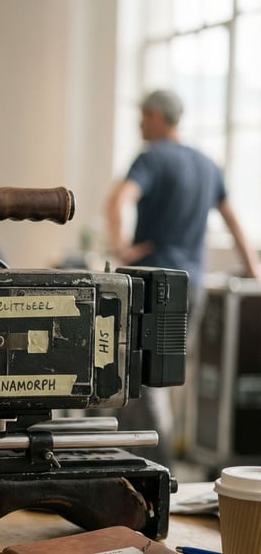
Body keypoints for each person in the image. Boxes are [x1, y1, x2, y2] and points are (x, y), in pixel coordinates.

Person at [105, 89, 261, 465]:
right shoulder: (207, 164)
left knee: (140, 378)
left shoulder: (151, 159)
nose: (139, 123)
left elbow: (116, 202)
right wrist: (255, 273)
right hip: (191, 286)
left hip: (152, 286)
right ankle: (143, 461)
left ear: (157, 116)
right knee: (166, 375)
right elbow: (235, 222)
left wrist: (121, 247)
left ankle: (156, 469)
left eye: (143, 116)